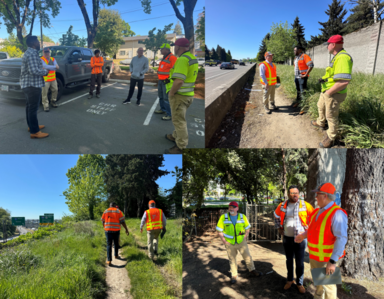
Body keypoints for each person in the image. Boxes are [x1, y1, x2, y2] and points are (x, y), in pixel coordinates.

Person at [295, 183, 348, 299]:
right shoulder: (316, 212)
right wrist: (303, 235)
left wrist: (332, 261)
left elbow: (341, 238)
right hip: (315, 257)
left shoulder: (337, 213)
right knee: (319, 284)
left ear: (325, 196)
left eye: (317, 194)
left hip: (327, 259)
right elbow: (313, 230)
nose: (315, 197)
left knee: (328, 288)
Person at [310, 35, 353, 148]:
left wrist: (329, 92)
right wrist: (324, 81)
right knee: (320, 106)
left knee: (331, 116)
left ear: (333, 45)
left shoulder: (342, 57)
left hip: (334, 93)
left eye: (328, 44)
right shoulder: (336, 56)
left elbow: (343, 81)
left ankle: (331, 137)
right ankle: (320, 122)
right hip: (327, 90)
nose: (327, 47)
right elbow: (334, 76)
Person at [274, 185, 314, 294]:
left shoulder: (305, 205)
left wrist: (308, 231)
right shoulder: (282, 205)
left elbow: (314, 218)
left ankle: (299, 283)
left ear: (299, 194)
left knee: (300, 262)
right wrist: (279, 229)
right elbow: (276, 216)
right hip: (287, 238)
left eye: (296, 193)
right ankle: (290, 280)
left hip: (300, 239)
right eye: (292, 193)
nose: (295, 195)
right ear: (288, 194)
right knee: (289, 260)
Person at [164, 38, 198, 154]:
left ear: (178, 47)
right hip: (188, 95)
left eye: (175, 46)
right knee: (179, 118)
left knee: (179, 121)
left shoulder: (182, 60)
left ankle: (181, 146)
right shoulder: (192, 58)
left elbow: (179, 81)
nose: (174, 48)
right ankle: (175, 136)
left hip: (180, 96)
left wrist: (172, 93)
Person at [216, 201, 262, 284]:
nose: (231, 208)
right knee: (232, 259)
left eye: (233, 207)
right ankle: (234, 275)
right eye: (230, 207)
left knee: (247, 256)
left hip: (241, 242)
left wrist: (245, 236)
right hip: (229, 243)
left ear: (237, 208)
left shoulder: (242, 217)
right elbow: (219, 230)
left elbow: (247, 228)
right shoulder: (224, 217)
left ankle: (252, 270)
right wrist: (224, 240)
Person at [20, 36, 49, 139]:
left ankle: (32, 126)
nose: (39, 43)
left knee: (29, 107)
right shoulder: (32, 53)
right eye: (37, 41)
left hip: (28, 84)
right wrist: (45, 72)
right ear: (33, 43)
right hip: (32, 85)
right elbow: (34, 70)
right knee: (32, 108)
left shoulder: (29, 53)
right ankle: (35, 132)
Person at [101, 202, 129, 266]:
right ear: (114, 206)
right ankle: (116, 255)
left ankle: (109, 260)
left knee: (109, 244)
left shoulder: (105, 211)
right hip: (116, 230)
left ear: (110, 205)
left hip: (108, 231)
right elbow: (122, 221)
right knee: (116, 243)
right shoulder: (118, 211)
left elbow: (103, 221)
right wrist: (126, 229)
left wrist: (105, 227)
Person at [154, 43, 177, 121]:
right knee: (161, 97)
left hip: (167, 82)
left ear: (166, 49)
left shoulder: (172, 58)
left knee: (166, 98)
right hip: (161, 80)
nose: (160, 50)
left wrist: (170, 79)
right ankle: (163, 110)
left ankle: (169, 114)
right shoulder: (164, 57)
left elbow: (176, 71)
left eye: (162, 49)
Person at [40, 47, 59, 112]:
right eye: (45, 52)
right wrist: (54, 67)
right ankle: (45, 105)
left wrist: (52, 67)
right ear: (43, 52)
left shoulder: (53, 59)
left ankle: (53, 101)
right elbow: (45, 66)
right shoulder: (41, 59)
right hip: (45, 79)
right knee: (44, 93)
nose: (47, 53)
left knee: (55, 90)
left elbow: (57, 67)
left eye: (48, 52)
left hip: (53, 79)